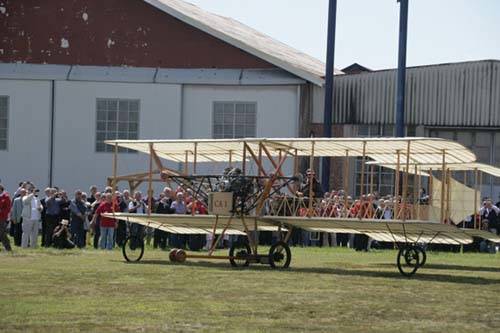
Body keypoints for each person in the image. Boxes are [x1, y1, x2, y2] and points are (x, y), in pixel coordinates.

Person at [0, 184, 12, 251]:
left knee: (1, 233)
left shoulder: (6, 197)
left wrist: (1, 211)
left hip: (2, 218)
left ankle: (8, 248)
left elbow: (8, 208)